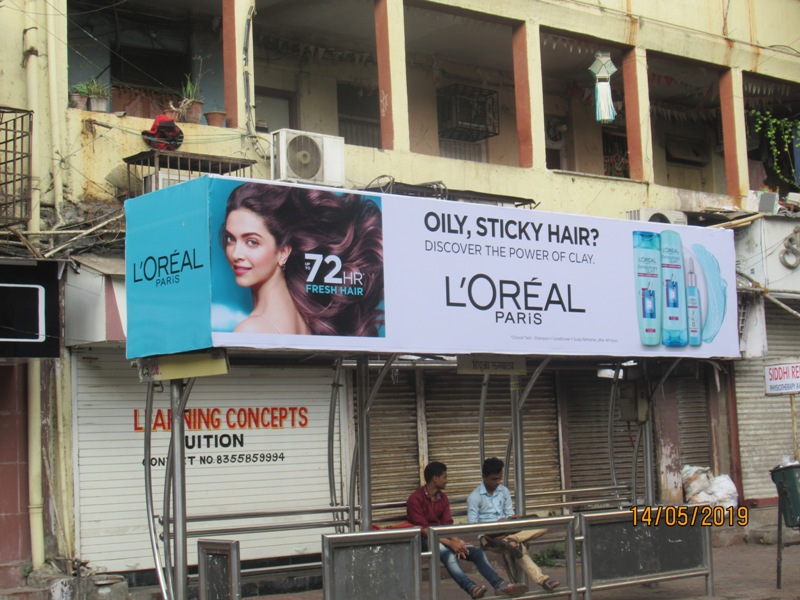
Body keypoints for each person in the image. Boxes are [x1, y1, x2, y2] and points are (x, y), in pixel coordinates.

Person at [222, 182, 384, 336]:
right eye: (231, 239)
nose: (236, 254)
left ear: (283, 252)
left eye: (252, 242)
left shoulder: (251, 330)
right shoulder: (304, 319)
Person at [406, 461, 528, 599]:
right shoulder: (415, 499)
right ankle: (471, 587)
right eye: (444, 477)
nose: (447, 480)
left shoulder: (443, 498)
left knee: (476, 553)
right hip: (423, 539)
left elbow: (447, 523)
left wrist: (456, 540)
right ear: (435, 478)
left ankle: (500, 585)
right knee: (449, 555)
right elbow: (424, 529)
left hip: (443, 536)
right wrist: (451, 543)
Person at [467, 457, 560, 593]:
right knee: (519, 549)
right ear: (484, 477)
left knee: (542, 525)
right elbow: (472, 525)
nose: (497, 482)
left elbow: (509, 512)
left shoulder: (503, 491)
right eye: (494, 479)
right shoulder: (474, 497)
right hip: (489, 537)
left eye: (499, 478)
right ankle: (543, 580)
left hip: (508, 532)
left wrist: (511, 518)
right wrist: (494, 524)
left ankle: (512, 541)